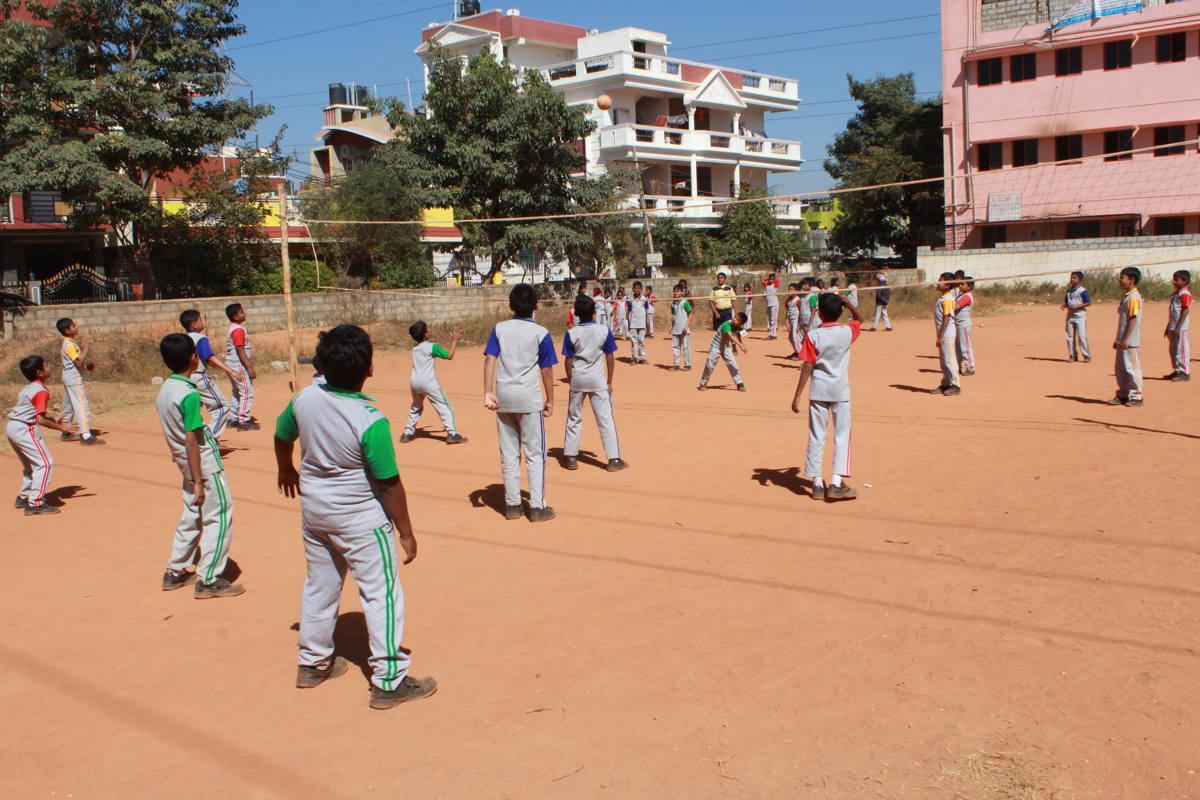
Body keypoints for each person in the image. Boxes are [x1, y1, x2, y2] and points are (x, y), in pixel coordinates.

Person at [275, 325, 436, 709]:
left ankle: (312, 664)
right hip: (361, 521)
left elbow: (283, 435)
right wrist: (407, 532)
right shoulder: (370, 418)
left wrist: (286, 469)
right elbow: (389, 484)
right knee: (382, 593)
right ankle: (389, 680)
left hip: (316, 515)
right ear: (370, 369)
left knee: (320, 585)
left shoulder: (305, 398)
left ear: (321, 364)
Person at [156, 333, 243, 599]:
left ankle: (176, 569)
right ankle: (209, 578)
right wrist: (197, 479)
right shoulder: (189, 395)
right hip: (201, 465)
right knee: (220, 514)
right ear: (193, 358)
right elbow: (192, 439)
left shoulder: (167, 389)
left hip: (183, 462)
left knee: (192, 512)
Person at [483, 284, 558, 522]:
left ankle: (513, 505)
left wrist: (488, 391)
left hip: (504, 397)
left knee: (509, 453)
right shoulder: (541, 333)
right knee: (535, 454)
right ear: (536, 305)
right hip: (529, 399)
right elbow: (546, 369)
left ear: (511, 306)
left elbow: (490, 359)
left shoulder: (500, 329)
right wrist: (551, 400)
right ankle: (536, 507)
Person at [791, 293, 862, 502]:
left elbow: (808, 365)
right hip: (840, 391)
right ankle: (836, 482)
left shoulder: (813, 336)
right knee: (842, 436)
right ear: (841, 311)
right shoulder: (846, 331)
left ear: (819, 313)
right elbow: (860, 320)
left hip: (819, 391)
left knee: (816, 436)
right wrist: (850, 305)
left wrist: (797, 396)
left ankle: (817, 483)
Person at [561, 295, 627, 472]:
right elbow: (610, 357)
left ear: (576, 314)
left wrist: (570, 379)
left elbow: (568, 360)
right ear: (593, 312)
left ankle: (571, 456)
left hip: (578, 378)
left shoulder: (571, 333)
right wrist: (610, 381)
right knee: (605, 418)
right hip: (597, 379)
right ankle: (613, 459)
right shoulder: (603, 330)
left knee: (574, 417)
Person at [7, 355, 75, 515]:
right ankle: (35, 503)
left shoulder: (29, 388)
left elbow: (36, 414)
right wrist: (62, 428)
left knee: (31, 466)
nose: (48, 367)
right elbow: (40, 420)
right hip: (24, 429)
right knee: (45, 464)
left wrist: (54, 419)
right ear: (39, 372)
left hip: (13, 427)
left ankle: (24, 497)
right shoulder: (41, 391)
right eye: (46, 365)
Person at [400, 321, 467, 445]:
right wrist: (454, 341)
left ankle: (407, 432)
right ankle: (452, 433)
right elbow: (449, 356)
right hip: (428, 382)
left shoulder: (414, 349)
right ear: (425, 334)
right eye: (427, 330)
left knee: (416, 406)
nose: (429, 331)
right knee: (443, 405)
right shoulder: (432, 347)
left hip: (414, 381)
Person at [180, 309, 237, 438]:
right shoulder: (200, 338)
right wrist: (230, 371)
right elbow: (209, 357)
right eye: (200, 319)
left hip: (185, 378)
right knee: (222, 407)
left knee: (193, 410)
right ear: (194, 324)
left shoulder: (183, 339)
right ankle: (209, 438)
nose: (202, 322)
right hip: (198, 377)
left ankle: (194, 437)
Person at [56, 318, 104, 445]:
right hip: (73, 378)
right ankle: (86, 435)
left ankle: (66, 431)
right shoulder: (70, 345)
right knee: (82, 405)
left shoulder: (68, 343)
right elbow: (78, 362)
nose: (76, 327)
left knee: (69, 406)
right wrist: (85, 349)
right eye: (73, 326)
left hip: (68, 376)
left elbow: (75, 363)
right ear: (67, 330)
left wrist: (87, 367)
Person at [1111, 267, 1144, 406]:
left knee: (1132, 368)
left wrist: (1126, 339)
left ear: (1131, 280)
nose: (1120, 280)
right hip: (1122, 339)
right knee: (1120, 368)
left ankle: (1137, 396)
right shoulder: (1127, 296)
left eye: (1122, 278)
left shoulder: (1134, 298)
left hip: (1130, 341)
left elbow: (1133, 319)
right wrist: (1118, 339)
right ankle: (1123, 394)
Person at [224, 303, 258, 432]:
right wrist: (249, 367)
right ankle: (243, 420)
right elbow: (240, 349)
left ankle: (233, 418)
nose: (244, 314)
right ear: (235, 316)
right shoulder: (237, 330)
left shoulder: (234, 328)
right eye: (241, 312)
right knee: (247, 392)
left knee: (237, 392)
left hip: (232, 363)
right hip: (238, 364)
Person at [698, 311, 749, 391]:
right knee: (710, 365)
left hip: (725, 346)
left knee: (733, 364)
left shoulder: (738, 327)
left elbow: (738, 334)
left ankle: (739, 383)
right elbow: (731, 337)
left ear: (740, 323)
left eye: (737, 319)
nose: (734, 319)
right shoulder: (727, 324)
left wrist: (742, 344)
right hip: (716, 346)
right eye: (735, 317)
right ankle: (703, 383)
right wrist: (740, 345)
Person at [934, 273, 961, 396]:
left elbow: (947, 317)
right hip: (942, 333)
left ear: (947, 285)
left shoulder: (948, 299)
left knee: (950, 360)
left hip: (947, 334)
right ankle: (945, 384)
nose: (938, 282)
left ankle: (956, 385)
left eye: (941, 281)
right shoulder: (943, 298)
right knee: (944, 361)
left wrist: (941, 336)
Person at [1163, 269, 1191, 381]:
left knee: (1181, 349)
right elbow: (1172, 312)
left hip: (1180, 328)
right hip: (1173, 326)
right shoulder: (1175, 294)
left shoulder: (1185, 294)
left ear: (1184, 281)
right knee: (1173, 349)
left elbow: (1185, 310)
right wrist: (1168, 326)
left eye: (1177, 280)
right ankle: (1177, 370)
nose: (1174, 282)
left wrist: (1178, 327)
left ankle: (1185, 372)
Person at [1062, 271, 1092, 363]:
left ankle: (1086, 355)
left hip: (1080, 315)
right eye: (1071, 277)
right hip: (1070, 315)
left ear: (1079, 280)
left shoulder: (1082, 290)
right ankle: (1072, 355)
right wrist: (1064, 305)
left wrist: (1077, 306)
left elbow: (1088, 302)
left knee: (1081, 336)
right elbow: (1067, 302)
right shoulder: (1068, 291)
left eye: (1074, 278)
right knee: (1069, 336)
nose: (1072, 279)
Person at [625, 281, 651, 364]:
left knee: (641, 341)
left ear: (641, 289)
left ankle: (642, 357)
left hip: (642, 323)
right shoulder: (630, 299)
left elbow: (646, 310)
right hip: (633, 323)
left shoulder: (644, 299)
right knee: (633, 341)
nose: (637, 289)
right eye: (635, 288)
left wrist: (647, 322)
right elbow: (628, 311)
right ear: (633, 289)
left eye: (638, 288)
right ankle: (634, 358)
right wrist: (627, 321)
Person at [955, 277, 976, 376]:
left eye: (963, 284)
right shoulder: (961, 294)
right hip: (957, 324)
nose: (960, 286)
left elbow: (955, 307)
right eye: (960, 284)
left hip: (964, 324)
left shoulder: (967, 296)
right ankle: (957, 367)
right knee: (957, 348)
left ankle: (970, 368)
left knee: (965, 347)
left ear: (969, 286)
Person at [670, 284, 694, 370]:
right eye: (675, 291)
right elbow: (674, 316)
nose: (676, 293)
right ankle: (676, 364)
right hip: (676, 329)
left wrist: (687, 326)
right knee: (675, 347)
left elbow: (690, 313)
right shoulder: (673, 303)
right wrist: (671, 327)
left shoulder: (685, 302)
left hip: (684, 329)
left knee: (685, 347)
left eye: (678, 291)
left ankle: (687, 364)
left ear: (681, 292)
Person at [785, 283, 804, 359]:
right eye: (789, 289)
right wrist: (786, 320)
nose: (790, 291)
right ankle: (796, 351)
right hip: (790, 320)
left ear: (796, 290)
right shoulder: (789, 300)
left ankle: (800, 353)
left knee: (795, 336)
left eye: (792, 289)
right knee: (790, 337)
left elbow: (800, 311)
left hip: (796, 320)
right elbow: (787, 310)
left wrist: (799, 324)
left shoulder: (798, 299)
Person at [763, 272, 781, 339]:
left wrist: (774, 277)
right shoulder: (766, 285)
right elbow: (763, 281)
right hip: (768, 304)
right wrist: (768, 279)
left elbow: (778, 281)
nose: (771, 280)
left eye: (772, 279)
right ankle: (772, 334)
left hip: (774, 304)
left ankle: (773, 334)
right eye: (770, 279)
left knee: (773, 320)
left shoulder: (775, 284)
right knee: (770, 319)